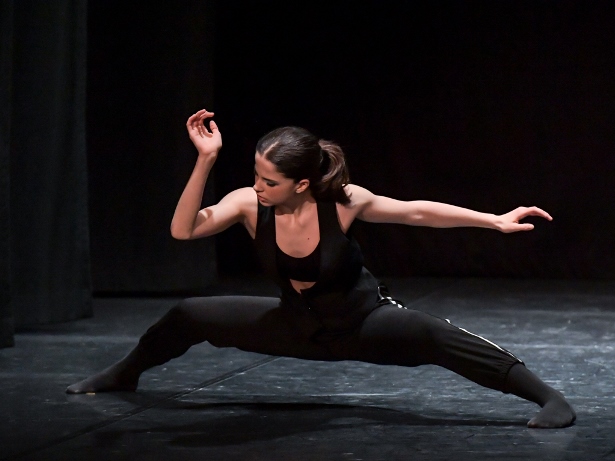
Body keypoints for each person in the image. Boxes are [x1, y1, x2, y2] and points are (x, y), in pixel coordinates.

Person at [67, 109, 576, 429]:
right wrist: (205, 161)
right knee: (190, 313)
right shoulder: (248, 204)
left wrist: (494, 220)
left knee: (435, 334)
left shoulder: (344, 202)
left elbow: (416, 211)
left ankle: (549, 399)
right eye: (255, 176)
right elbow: (183, 230)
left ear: (302, 183)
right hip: (295, 326)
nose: (258, 187)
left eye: (269, 181)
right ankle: (125, 374)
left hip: (363, 324)